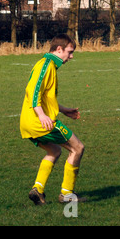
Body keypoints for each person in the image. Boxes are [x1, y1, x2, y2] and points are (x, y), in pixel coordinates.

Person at [20, 34, 86, 205]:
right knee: (77, 148)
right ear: (59, 49)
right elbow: (32, 91)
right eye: (69, 52)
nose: (71, 57)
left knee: (54, 151)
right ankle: (67, 194)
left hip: (29, 123)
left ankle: (38, 189)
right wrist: (42, 115)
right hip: (39, 122)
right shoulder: (46, 65)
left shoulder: (48, 65)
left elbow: (46, 97)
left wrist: (64, 110)